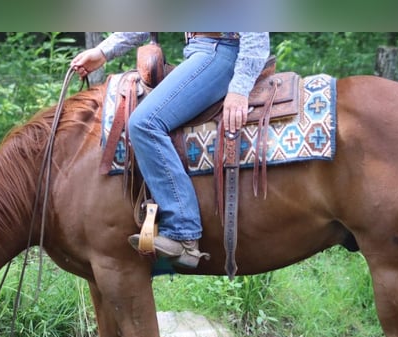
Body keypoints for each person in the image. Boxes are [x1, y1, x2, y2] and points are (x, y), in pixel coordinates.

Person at [72, 32, 271, 268]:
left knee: (144, 123)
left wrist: (239, 89)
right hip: (202, 52)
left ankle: (183, 231)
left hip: (221, 52)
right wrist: (103, 51)